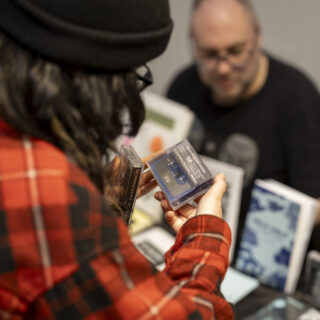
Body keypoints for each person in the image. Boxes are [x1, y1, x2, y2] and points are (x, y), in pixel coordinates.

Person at [0, 0, 234, 319]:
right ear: (94, 82)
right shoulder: (50, 195)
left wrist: (101, 203)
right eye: (132, 77)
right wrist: (205, 232)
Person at [167, 0, 320, 256]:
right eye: (208, 54)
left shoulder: (298, 100)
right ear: (193, 44)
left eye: (236, 51)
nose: (223, 68)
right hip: (187, 246)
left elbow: (312, 208)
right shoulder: (183, 87)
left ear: (257, 38)